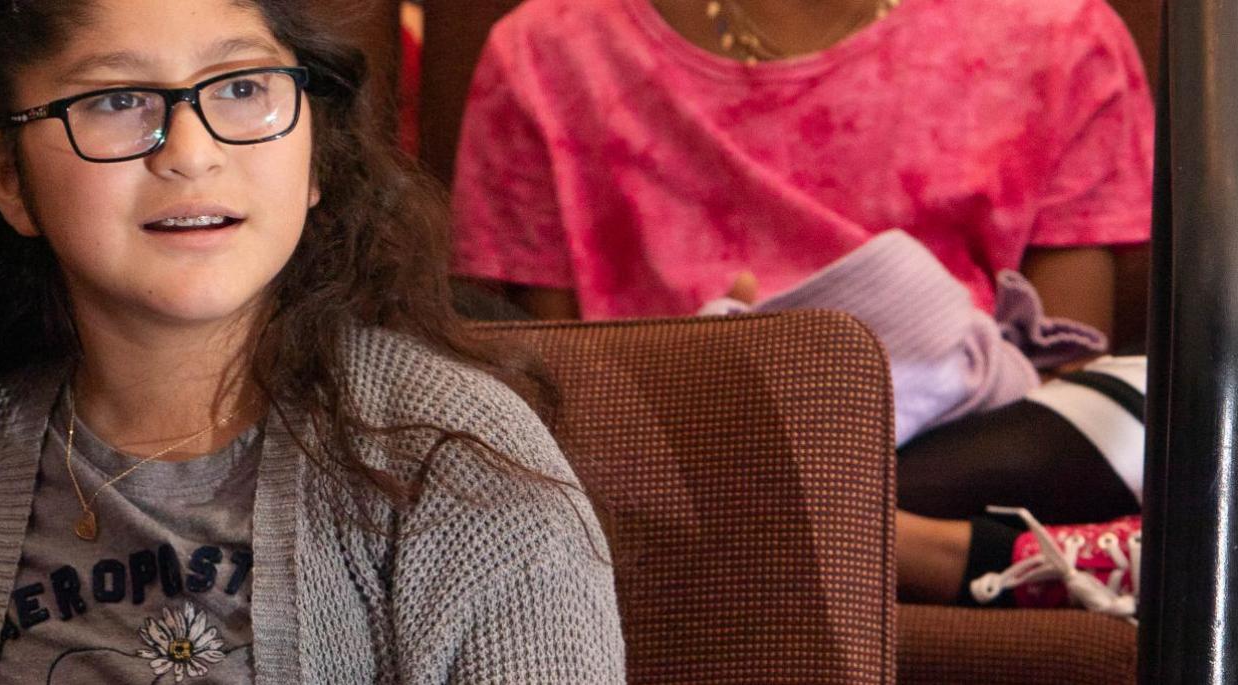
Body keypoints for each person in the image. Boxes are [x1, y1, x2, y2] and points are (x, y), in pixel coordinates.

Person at [0, 0, 628, 681]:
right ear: (5, 176)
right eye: (117, 101)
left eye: (243, 88)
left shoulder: (455, 461)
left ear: (315, 146)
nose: (191, 150)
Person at [449, 0, 1153, 616]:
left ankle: (762, 534)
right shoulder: (547, 47)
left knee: (1148, 401)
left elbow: (1067, 373)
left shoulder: (1058, 32)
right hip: (666, 440)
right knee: (473, 382)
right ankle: (932, 554)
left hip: (956, 448)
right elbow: (549, 377)